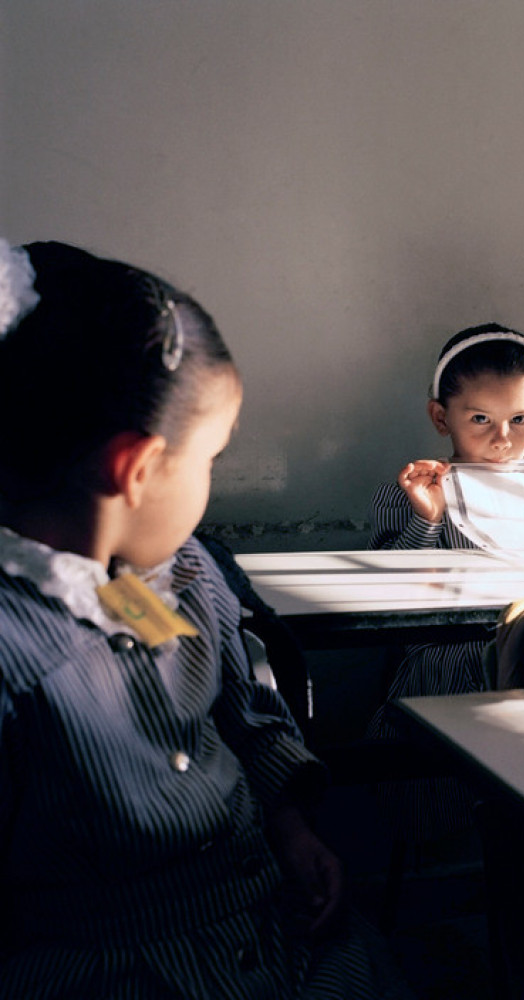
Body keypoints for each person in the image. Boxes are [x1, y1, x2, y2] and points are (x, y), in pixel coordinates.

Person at [0, 241, 410, 999]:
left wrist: (288, 825)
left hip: (272, 927)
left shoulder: (173, 574)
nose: (210, 484)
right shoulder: (16, 656)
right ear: (136, 470)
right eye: (211, 458)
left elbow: (241, 708)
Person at [366, 322, 524, 839]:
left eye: (519, 418)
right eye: (480, 418)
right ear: (442, 417)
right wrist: (428, 519)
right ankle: (473, 848)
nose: (502, 438)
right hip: (454, 655)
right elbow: (386, 592)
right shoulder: (413, 489)